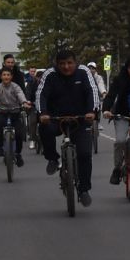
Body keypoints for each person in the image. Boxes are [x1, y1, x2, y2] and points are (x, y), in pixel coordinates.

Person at [37, 46, 100, 205]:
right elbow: (41, 95)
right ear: (56, 64)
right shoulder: (49, 74)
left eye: (70, 63)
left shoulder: (84, 72)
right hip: (55, 118)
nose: (66, 67)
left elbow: (92, 92)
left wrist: (92, 111)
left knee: (85, 154)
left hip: (81, 118)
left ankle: (84, 189)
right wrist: (43, 113)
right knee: (44, 128)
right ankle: (52, 158)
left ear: (76, 62)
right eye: (62, 63)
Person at [104, 57, 130, 185]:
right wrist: (106, 109)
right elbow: (111, 95)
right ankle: (117, 169)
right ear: (126, 69)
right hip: (122, 114)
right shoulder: (120, 79)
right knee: (120, 140)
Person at [0, 67, 28, 164]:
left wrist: (24, 102)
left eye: (8, 75)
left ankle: (18, 153)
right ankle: (1, 147)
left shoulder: (15, 86)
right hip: (3, 112)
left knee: (19, 133)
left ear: (11, 77)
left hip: (15, 112)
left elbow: (20, 94)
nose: (6, 77)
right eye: (4, 75)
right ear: (1, 77)